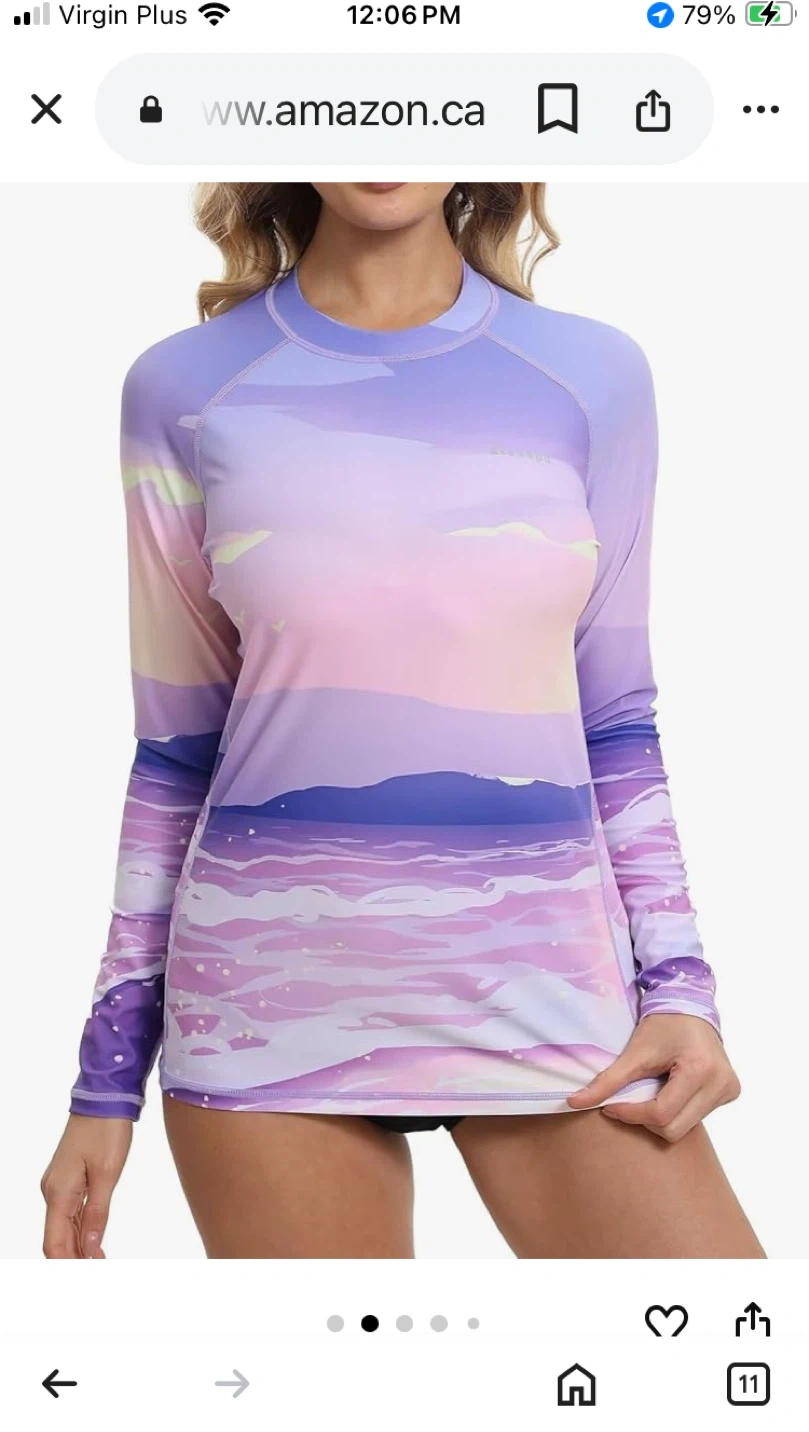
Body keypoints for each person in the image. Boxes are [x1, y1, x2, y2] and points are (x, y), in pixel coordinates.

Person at [41, 182, 763, 1259]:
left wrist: (683, 990)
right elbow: (175, 753)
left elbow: (615, 720)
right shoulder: (183, 386)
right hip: (264, 1014)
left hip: (555, 1006)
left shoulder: (589, 375)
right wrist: (105, 1082)